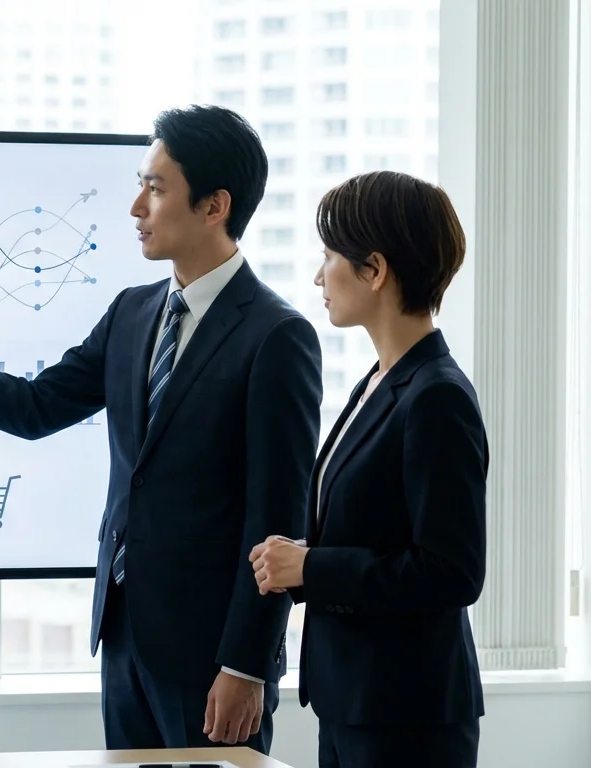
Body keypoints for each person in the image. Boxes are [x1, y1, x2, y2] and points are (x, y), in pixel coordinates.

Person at [0, 104, 322, 752]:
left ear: (214, 205)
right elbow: (34, 407)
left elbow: (278, 517)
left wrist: (245, 664)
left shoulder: (277, 337)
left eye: (155, 188)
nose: (135, 206)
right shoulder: (133, 313)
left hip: (213, 660)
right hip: (125, 639)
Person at [251, 170, 485, 768]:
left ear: (375, 270)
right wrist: (301, 563)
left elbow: (452, 572)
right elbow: (377, 533)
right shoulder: (381, 381)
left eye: (329, 255)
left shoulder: (436, 395)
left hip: (407, 717)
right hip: (354, 702)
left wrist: (313, 566)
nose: (318, 275)